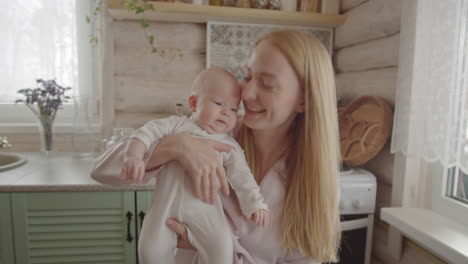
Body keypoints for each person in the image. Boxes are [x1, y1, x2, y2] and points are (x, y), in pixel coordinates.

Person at [91, 29, 341, 263]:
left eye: (266, 84)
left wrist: (210, 246)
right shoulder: (214, 130)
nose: (248, 93)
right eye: (248, 76)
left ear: (303, 101)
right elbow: (102, 170)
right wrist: (176, 146)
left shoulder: (313, 182)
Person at [92, 68, 270, 264]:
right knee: (149, 250)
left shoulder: (230, 146)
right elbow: (144, 133)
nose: (226, 112)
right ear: (194, 103)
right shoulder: (175, 126)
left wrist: (255, 204)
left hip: (207, 210)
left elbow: (243, 177)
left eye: (234, 109)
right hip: (164, 207)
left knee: (222, 248)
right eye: (218, 103)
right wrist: (134, 157)